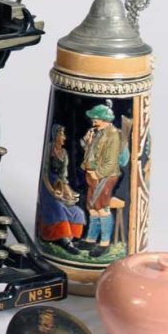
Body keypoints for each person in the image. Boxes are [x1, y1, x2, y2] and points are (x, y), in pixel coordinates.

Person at [77, 103, 122, 258]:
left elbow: (111, 160)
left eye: (96, 118)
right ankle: (90, 239)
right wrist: (88, 143)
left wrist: (99, 173)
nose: (93, 121)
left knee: (102, 208)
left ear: (104, 119)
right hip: (91, 175)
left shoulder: (113, 135)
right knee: (92, 207)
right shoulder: (97, 132)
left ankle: (104, 243)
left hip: (104, 176)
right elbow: (92, 153)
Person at [37, 124, 86, 255]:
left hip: (59, 186)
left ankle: (69, 238)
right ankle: (64, 242)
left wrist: (69, 193)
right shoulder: (49, 149)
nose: (64, 137)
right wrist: (52, 191)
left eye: (64, 134)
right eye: (62, 134)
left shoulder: (64, 153)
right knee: (57, 208)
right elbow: (44, 174)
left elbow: (63, 177)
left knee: (77, 212)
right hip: (47, 187)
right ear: (56, 135)